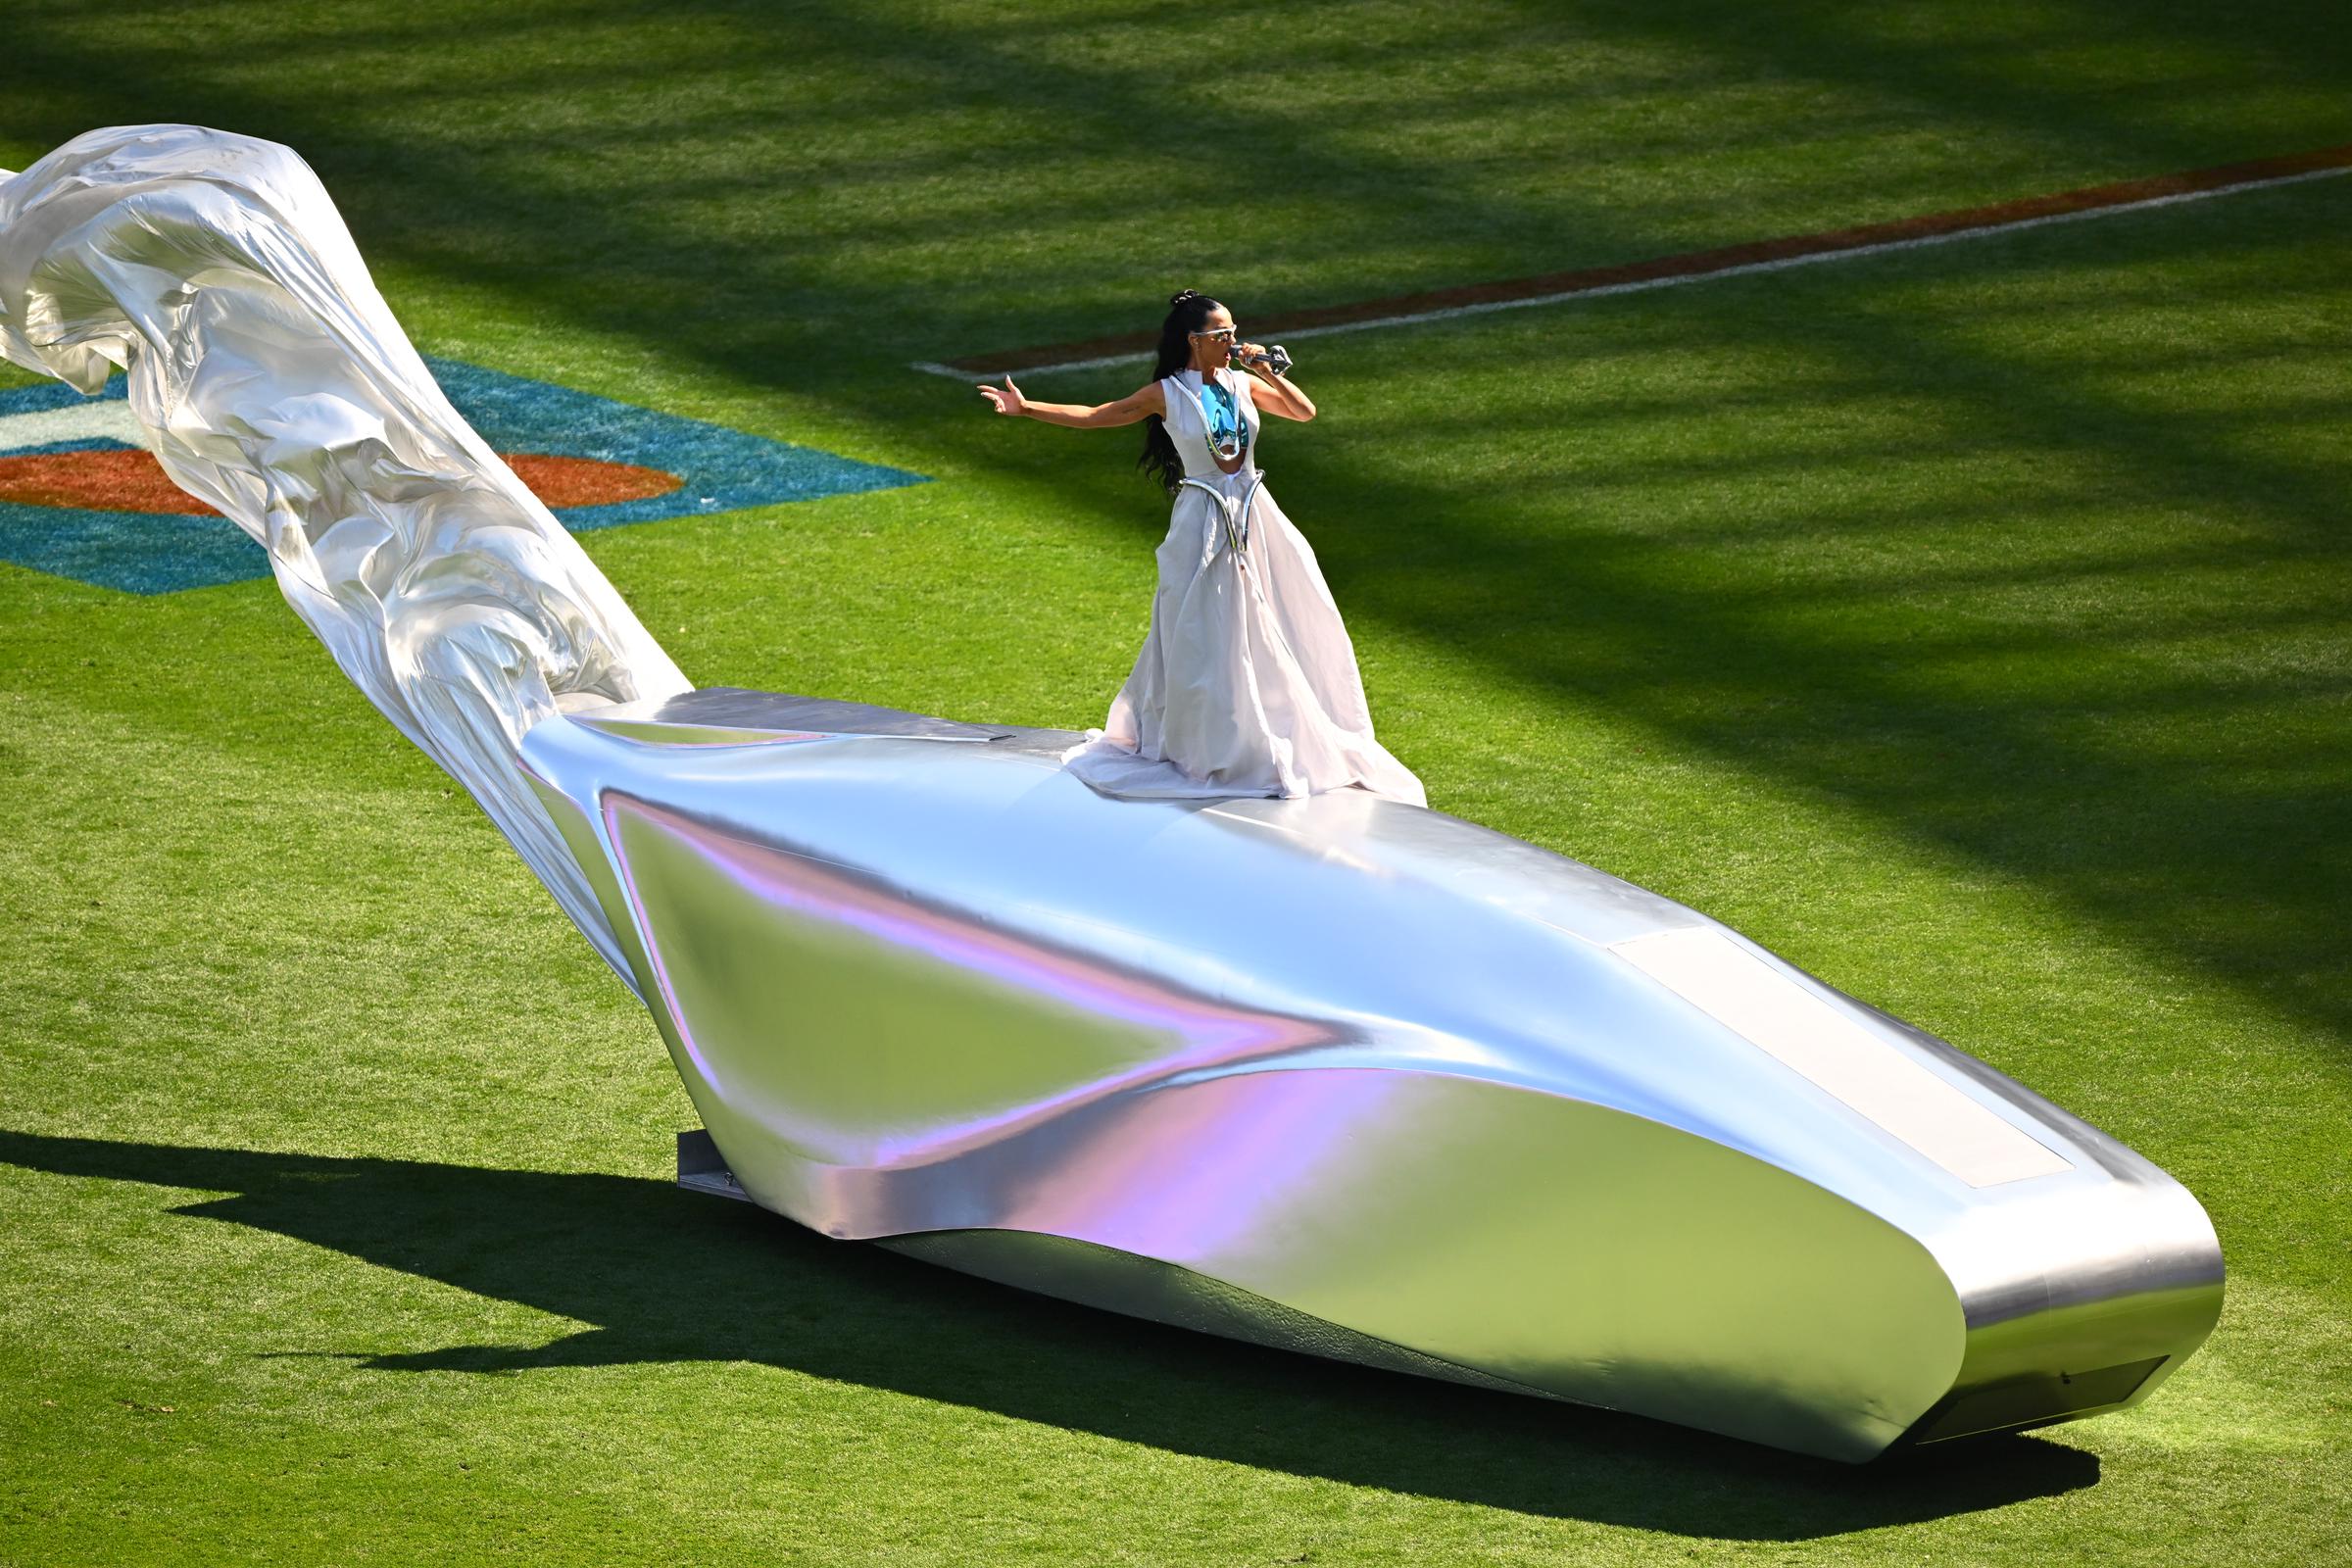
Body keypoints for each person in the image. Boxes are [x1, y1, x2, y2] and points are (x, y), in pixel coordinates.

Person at [976, 290, 1427, 808]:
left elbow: (1303, 412)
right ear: (1194, 341)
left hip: (1256, 512)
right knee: (1205, 625)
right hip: (1204, 516)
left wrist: (1266, 369)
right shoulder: (1165, 393)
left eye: (1233, 332)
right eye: (1222, 336)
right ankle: (1213, 738)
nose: (1232, 341)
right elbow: (1100, 414)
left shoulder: (1242, 382)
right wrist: (1026, 407)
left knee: (1290, 612)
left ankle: (1283, 725)